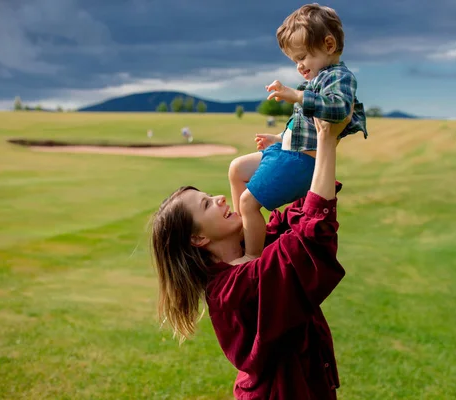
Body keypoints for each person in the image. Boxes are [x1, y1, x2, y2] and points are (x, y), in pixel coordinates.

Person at [151, 114, 351, 399]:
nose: (220, 198)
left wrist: (284, 151)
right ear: (198, 238)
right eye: (207, 204)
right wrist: (325, 142)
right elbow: (309, 241)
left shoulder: (256, 247)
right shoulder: (231, 292)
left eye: (211, 195)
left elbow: (302, 210)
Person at [228, 3, 367, 264]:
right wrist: (280, 138)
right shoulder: (316, 79)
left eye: (302, 57)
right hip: (288, 152)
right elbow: (304, 128)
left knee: (248, 203)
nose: (299, 66)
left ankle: (250, 256)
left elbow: (338, 109)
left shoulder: (340, 78)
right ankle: (244, 234)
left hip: (303, 163)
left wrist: (298, 95)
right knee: (236, 169)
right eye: (295, 61)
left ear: (328, 45)